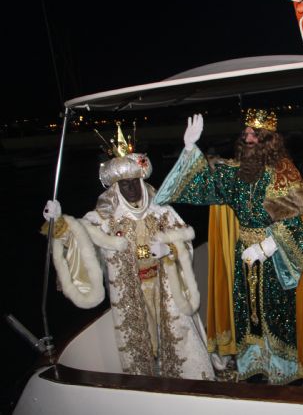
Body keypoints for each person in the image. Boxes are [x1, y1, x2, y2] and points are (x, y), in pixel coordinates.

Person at [154, 110, 303, 385]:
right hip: (244, 255)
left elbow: (298, 222)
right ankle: (255, 364)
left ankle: (285, 369)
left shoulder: (283, 173)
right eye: (246, 133)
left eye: (255, 134)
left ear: (268, 141)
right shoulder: (234, 173)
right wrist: (190, 148)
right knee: (247, 312)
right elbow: (201, 185)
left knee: (278, 313)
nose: (248, 138)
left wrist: (266, 247)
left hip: (275, 258)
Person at [42, 126, 215, 380]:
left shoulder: (161, 210)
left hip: (165, 286)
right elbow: (79, 239)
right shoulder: (104, 217)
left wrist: (169, 249)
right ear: (116, 187)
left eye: (135, 182)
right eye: (125, 184)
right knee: (139, 344)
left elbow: (185, 243)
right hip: (129, 292)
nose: (132, 188)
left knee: (177, 339)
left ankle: (188, 384)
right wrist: (59, 222)